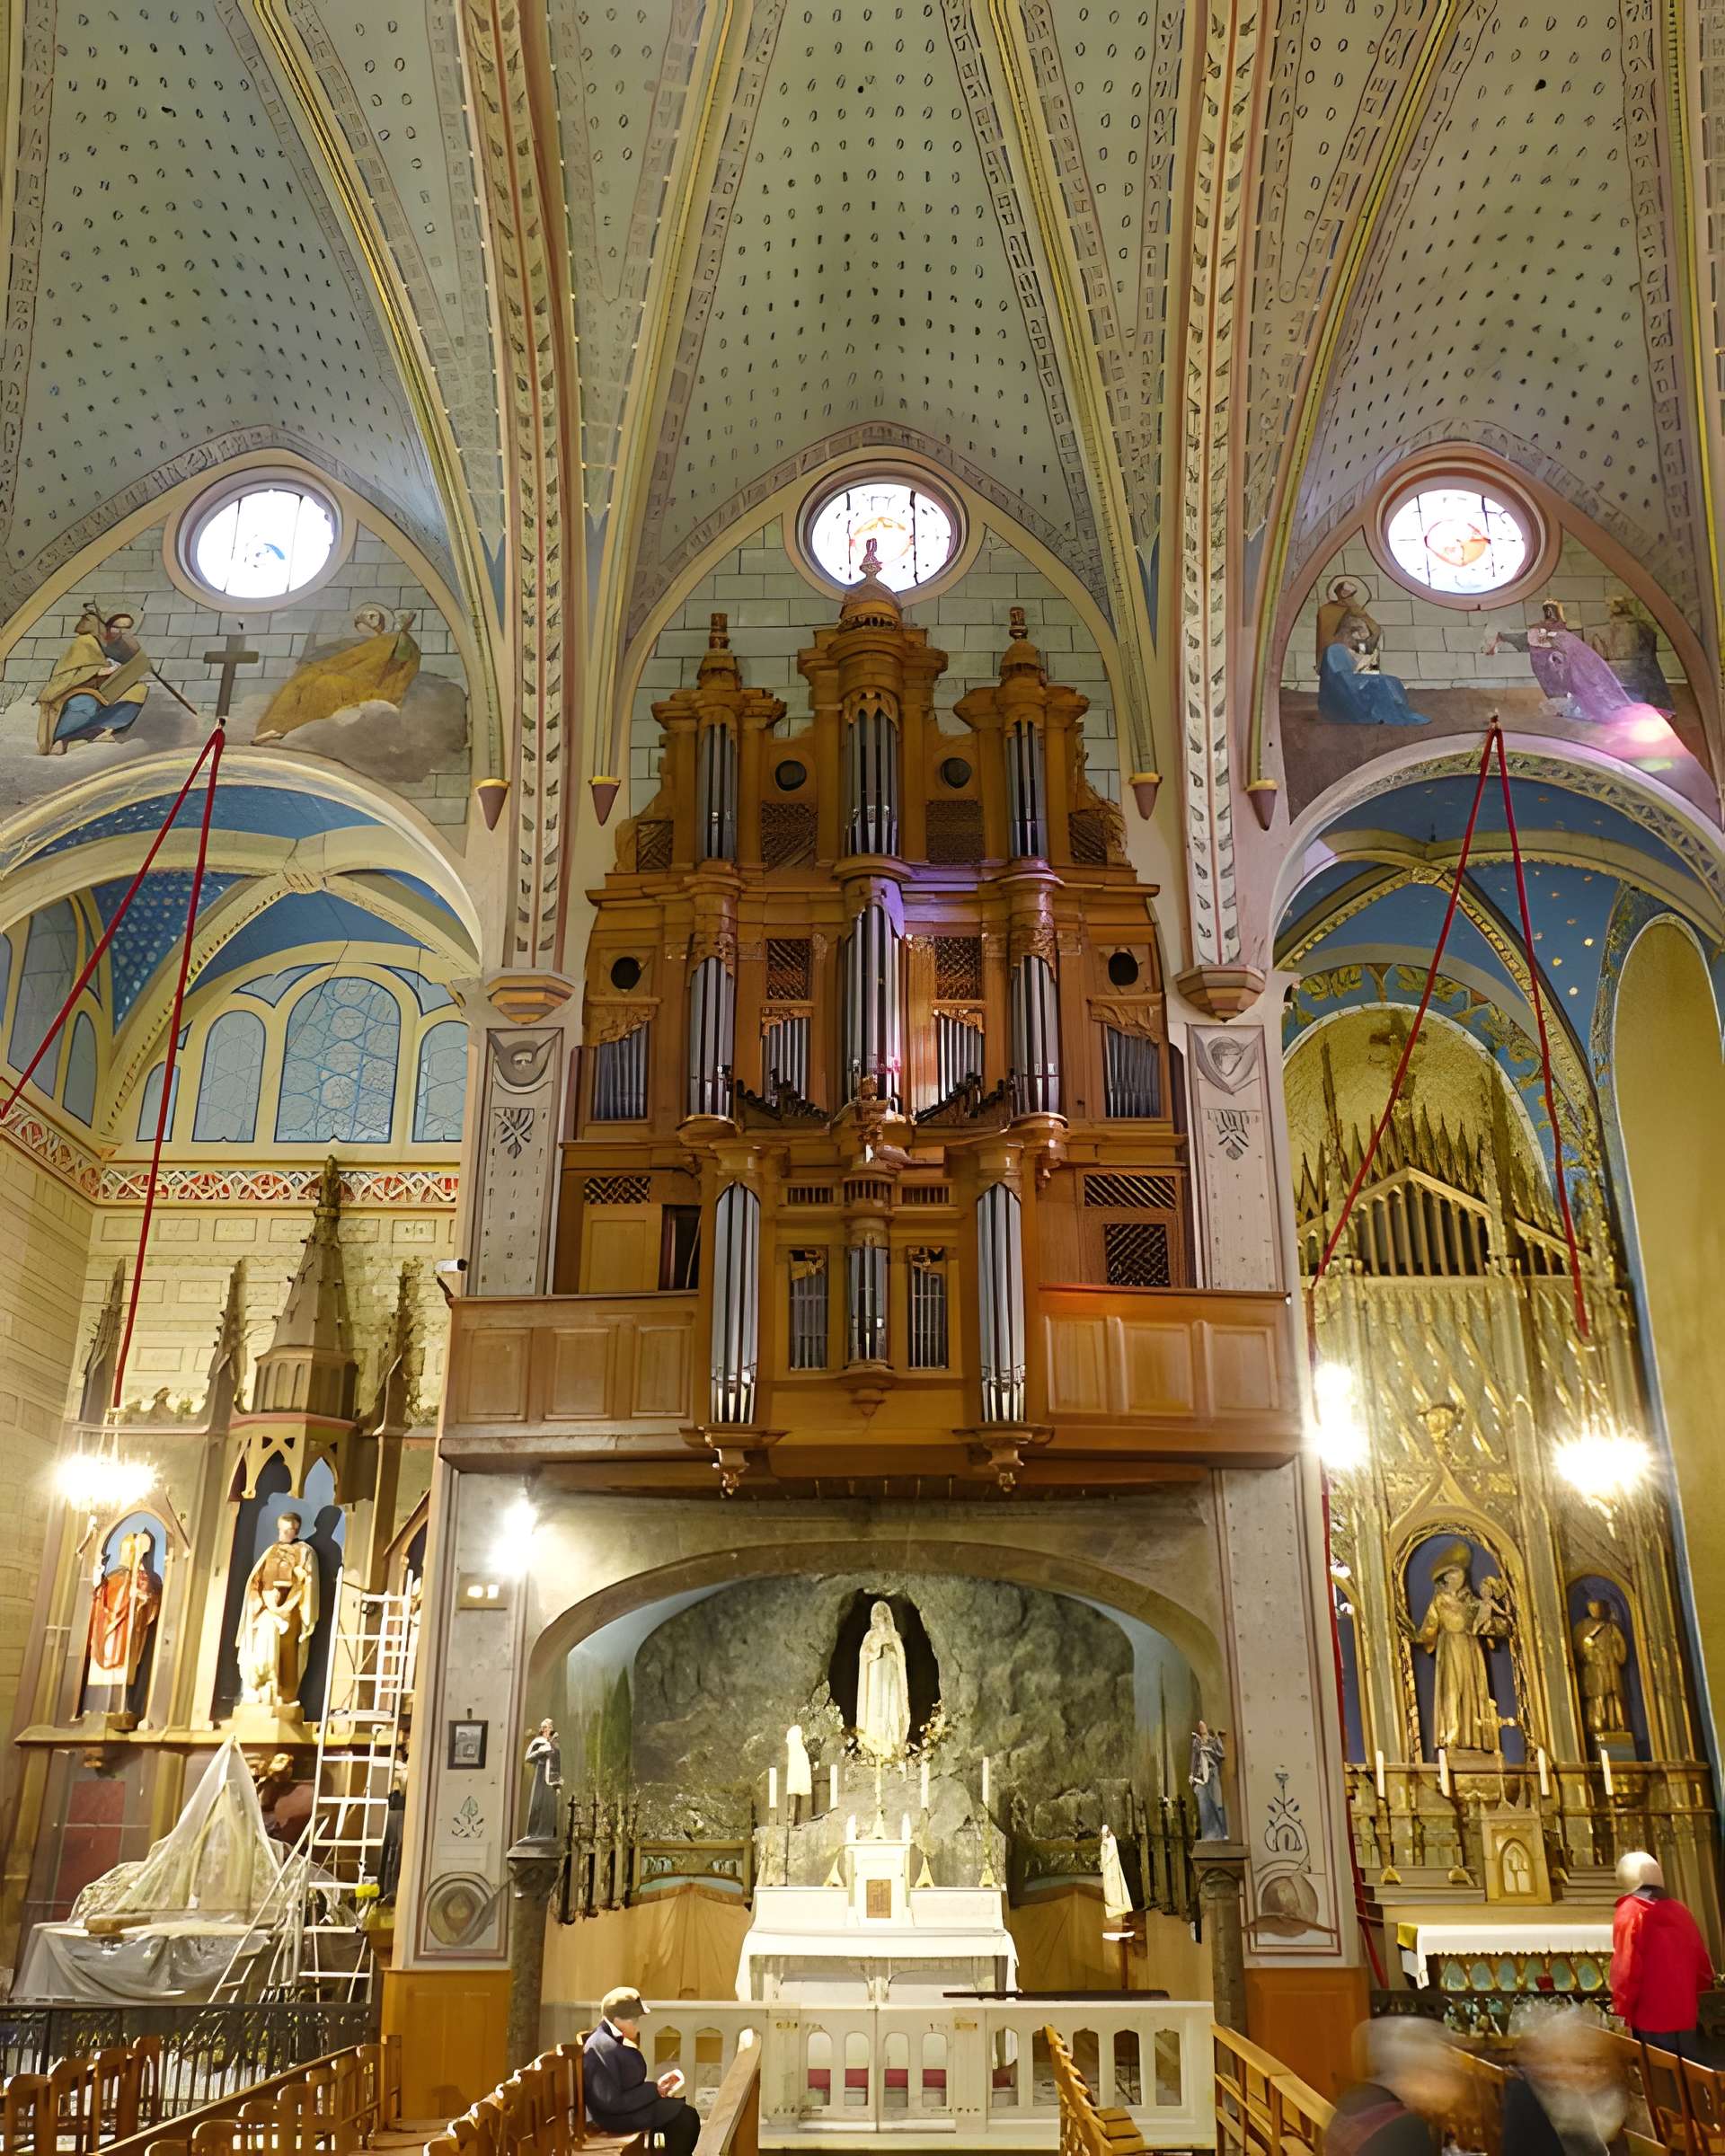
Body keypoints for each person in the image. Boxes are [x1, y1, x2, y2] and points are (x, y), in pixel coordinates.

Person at [1610, 1851, 1712, 2059]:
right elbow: (1702, 1966)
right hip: (1685, 2016)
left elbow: (1626, 1970)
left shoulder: (1631, 1911)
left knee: (1660, 2083)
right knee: (1687, 2081)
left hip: (1649, 2016)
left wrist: (1621, 2011)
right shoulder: (1680, 1910)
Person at [583, 1987, 700, 2156]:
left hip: (621, 2110)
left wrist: (658, 2089)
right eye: (634, 2021)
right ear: (617, 2020)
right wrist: (656, 2090)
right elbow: (611, 2102)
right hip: (612, 2117)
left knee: (682, 2112)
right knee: (685, 2118)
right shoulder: (602, 2046)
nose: (638, 2026)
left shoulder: (607, 2040)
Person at [1324, 2017, 1464, 2156]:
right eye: (1443, 2070)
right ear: (1418, 2073)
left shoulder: (1356, 2097)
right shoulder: (1406, 2128)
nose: (1454, 2084)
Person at [1503, 2007, 1629, 2156]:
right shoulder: (1536, 2103)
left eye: (1591, 2062)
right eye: (1559, 2061)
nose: (1582, 2071)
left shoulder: (1570, 2102)